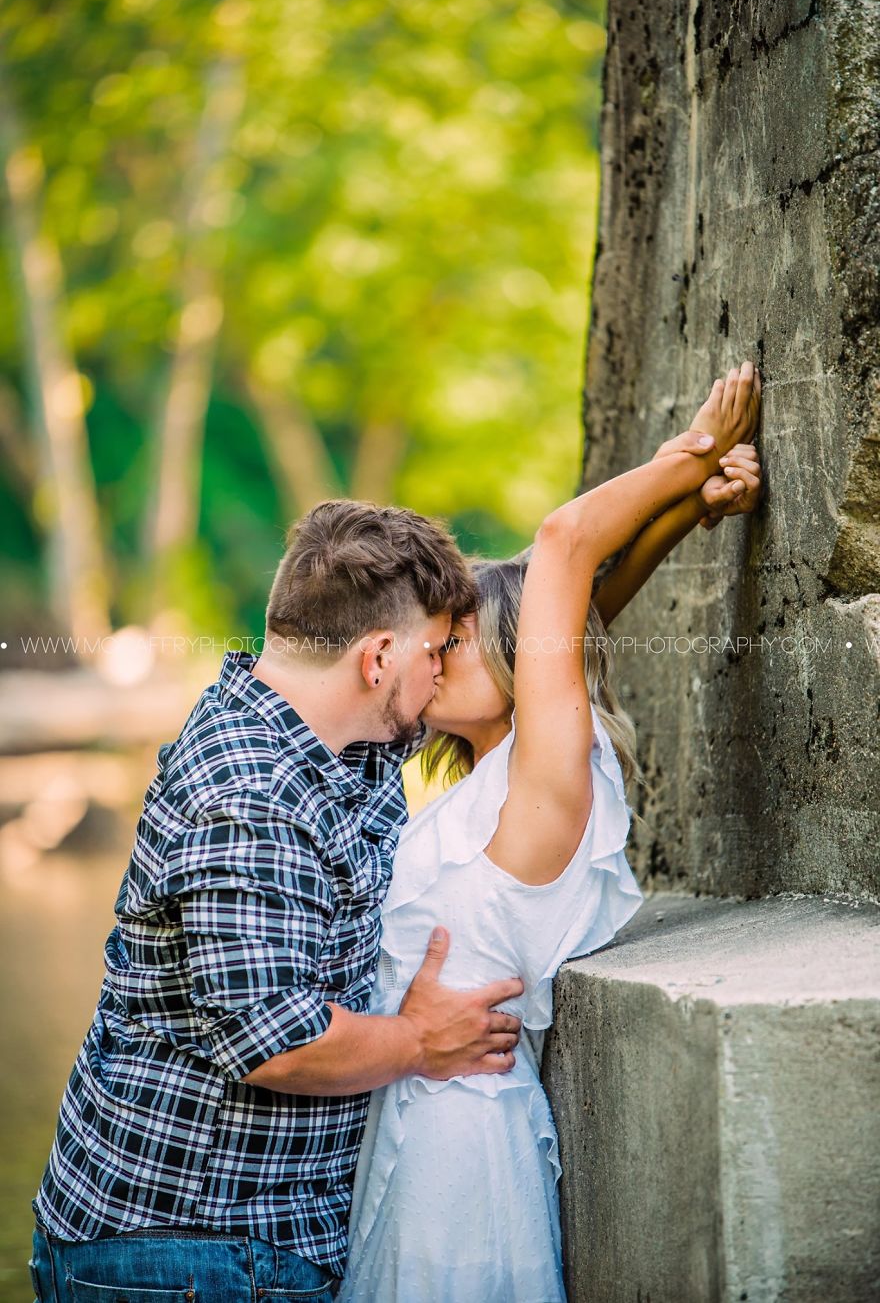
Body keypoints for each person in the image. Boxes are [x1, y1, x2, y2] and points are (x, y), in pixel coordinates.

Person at [30, 503, 528, 1303]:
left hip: (237, 1243)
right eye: (435, 652)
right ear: (376, 659)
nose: (443, 671)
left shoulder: (334, 731)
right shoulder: (253, 797)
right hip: (187, 1257)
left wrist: (675, 498)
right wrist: (423, 1041)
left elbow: (535, 621)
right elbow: (277, 1044)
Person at [339, 364, 762, 1302]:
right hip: (410, 1128)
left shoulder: (548, 775)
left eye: (455, 640)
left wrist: (688, 451)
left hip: (458, 1154)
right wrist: (684, 510)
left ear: (516, 656)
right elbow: (585, 614)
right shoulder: (495, 780)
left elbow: (566, 549)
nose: (432, 656)